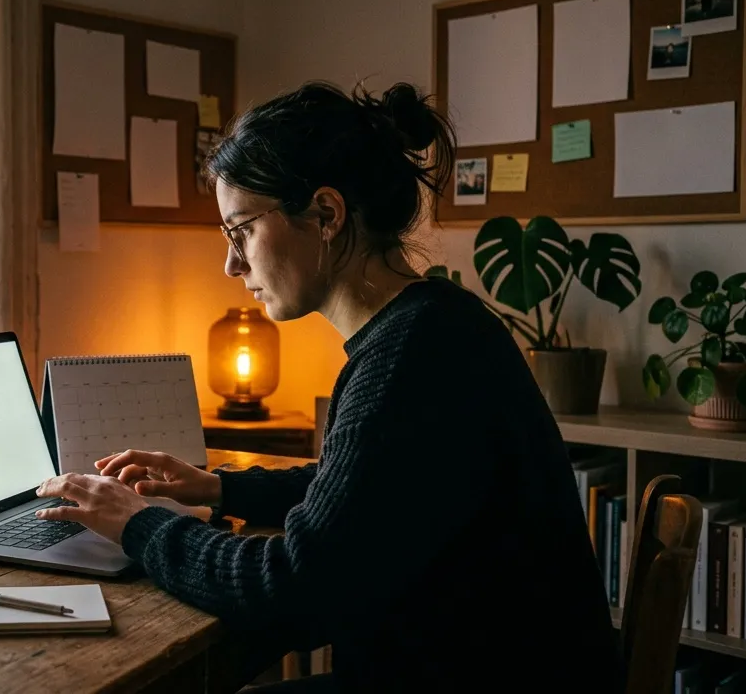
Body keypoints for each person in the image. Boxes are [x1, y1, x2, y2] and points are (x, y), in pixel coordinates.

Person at [35, 81, 624, 692]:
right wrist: (217, 487)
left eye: (240, 231)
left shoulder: (411, 357)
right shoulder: (435, 324)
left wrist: (138, 523)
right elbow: (367, 492)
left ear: (325, 214)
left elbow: (293, 589)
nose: (232, 265)